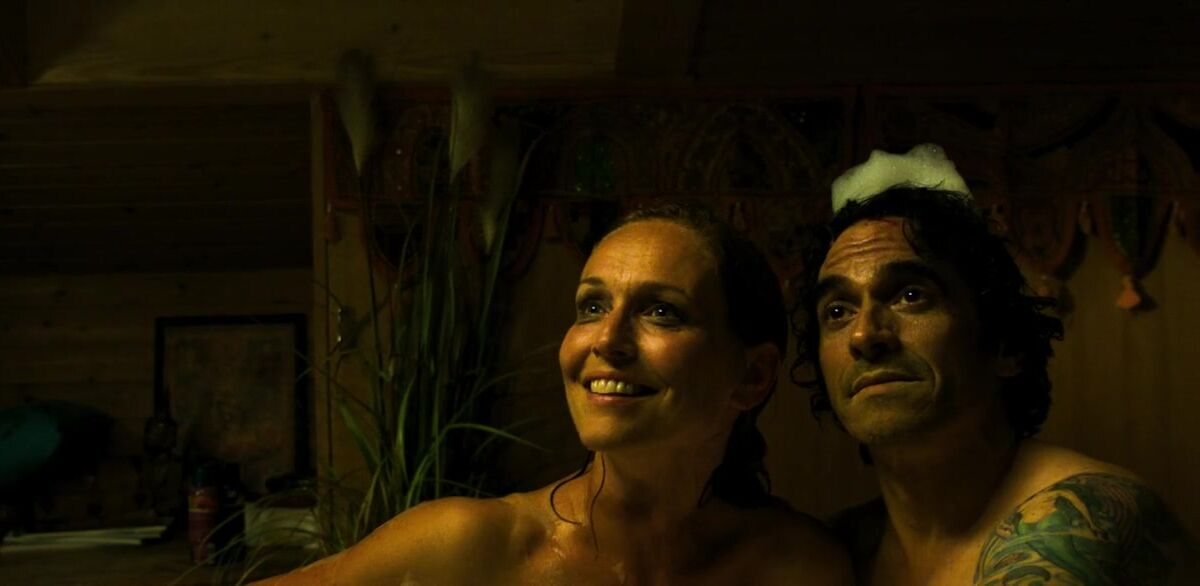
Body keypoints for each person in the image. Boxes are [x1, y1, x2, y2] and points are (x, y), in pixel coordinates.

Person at [257, 203, 853, 585]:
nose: (606, 339)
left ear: (752, 376)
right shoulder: (470, 549)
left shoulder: (797, 568)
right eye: (592, 306)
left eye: (662, 312)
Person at [793, 144, 1193, 584]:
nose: (865, 335)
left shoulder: (1083, 515)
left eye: (910, 295)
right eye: (838, 311)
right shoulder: (829, 554)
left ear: (1004, 345)